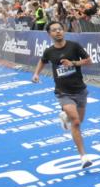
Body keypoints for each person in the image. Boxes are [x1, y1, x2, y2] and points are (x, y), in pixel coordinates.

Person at [31, 22, 93, 169]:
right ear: (49, 34)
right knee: (76, 122)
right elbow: (42, 61)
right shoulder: (49, 51)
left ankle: (65, 117)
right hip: (63, 92)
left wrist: (73, 63)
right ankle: (83, 156)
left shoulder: (74, 46)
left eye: (60, 29)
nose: (58, 32)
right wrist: (36, 74)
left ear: (63, 31)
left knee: (79, 120)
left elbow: (89, 61)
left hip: (80, 90)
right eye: (54, 30)